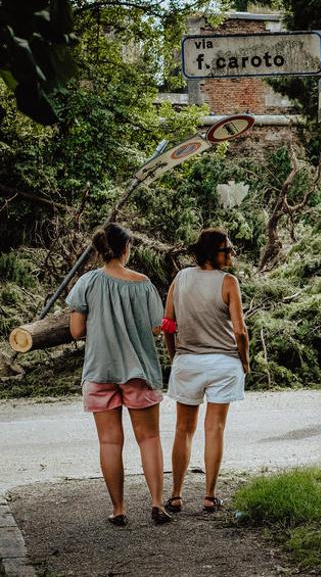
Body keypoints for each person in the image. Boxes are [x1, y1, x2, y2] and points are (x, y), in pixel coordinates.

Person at [66, 223, 172, 526]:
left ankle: (119, 509)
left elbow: (76, 331)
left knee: (110, 442)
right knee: (149, 438)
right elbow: (156, 325)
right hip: (138, 370)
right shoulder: (143, 283)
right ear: (126, 249)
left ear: (101, 251)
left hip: (100, 371)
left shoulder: (87, 282)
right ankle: (156, 504)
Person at [161, 228, 249, 514]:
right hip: (223, 363)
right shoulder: (228, 282)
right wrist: (245, 361)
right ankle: (209, 496)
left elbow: (168, 324)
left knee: (183, 429)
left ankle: (175, 495)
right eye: (228, 249)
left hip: (187, 362)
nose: (232, 253)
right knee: (215, 429)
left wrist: (175, 355)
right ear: (213, 252)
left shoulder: (181, 278)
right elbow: (240, 331)